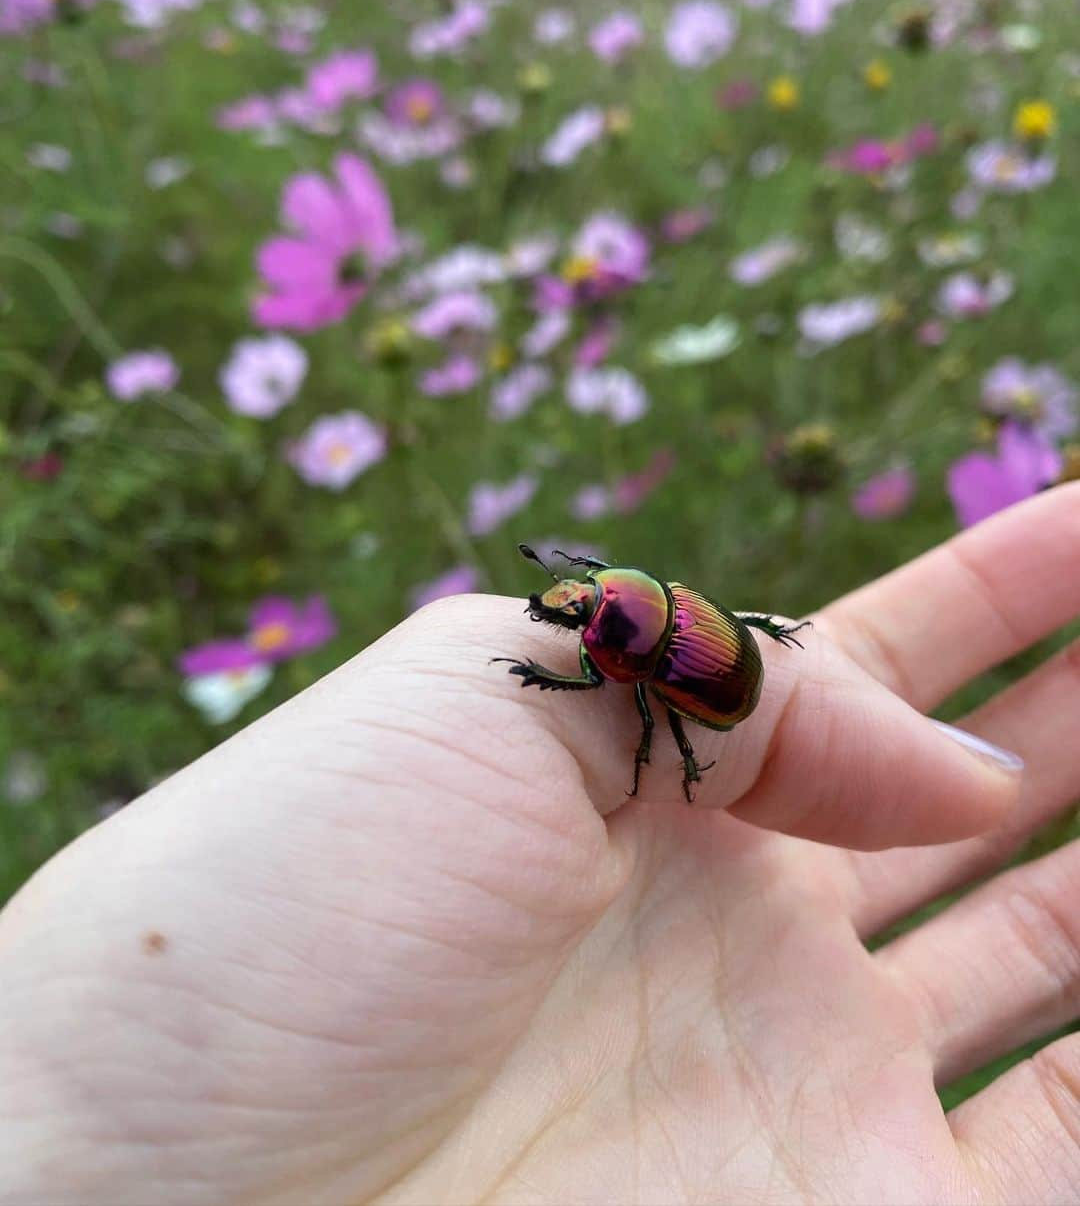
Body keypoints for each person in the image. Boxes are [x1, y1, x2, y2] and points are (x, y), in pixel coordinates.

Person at [3, 483, 1080, 1205]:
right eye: (577, 609)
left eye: (579, 613)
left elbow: (667, 680)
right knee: (656, 723)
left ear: (614, 621)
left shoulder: (651, 650)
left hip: (724, 683)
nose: (568, 612)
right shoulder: (634, 613)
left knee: (666, 727)